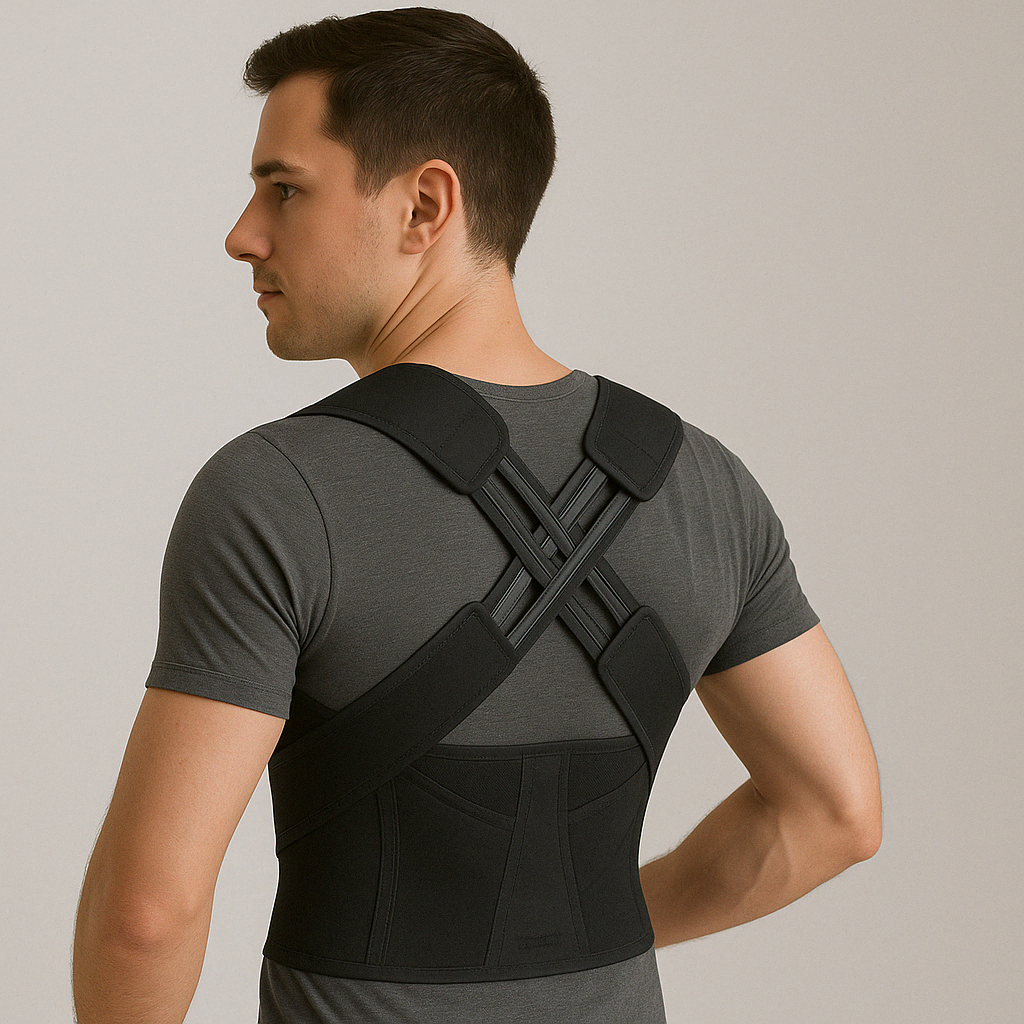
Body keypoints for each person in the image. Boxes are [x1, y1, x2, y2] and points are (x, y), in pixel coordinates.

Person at [72, 9, 881, 1024]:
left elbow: (146, 917)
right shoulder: (706, 484)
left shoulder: (277, 492)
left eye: (284, 188)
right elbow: (835, 813)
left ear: (423, 206)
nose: (244, 234)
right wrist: (585, 925)